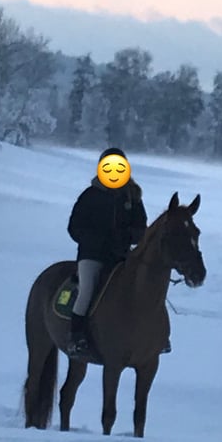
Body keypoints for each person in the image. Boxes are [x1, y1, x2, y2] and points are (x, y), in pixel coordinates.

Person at [66, 147, 147, 357]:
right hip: (91, 255)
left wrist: (129, 236)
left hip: (121, 256)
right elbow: (74, 227)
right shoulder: (90, 195)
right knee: (87, 291)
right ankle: (77, 337)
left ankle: (154, 336)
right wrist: (96, 239)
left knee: (144, 286)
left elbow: (141, 227)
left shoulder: (132, 197)